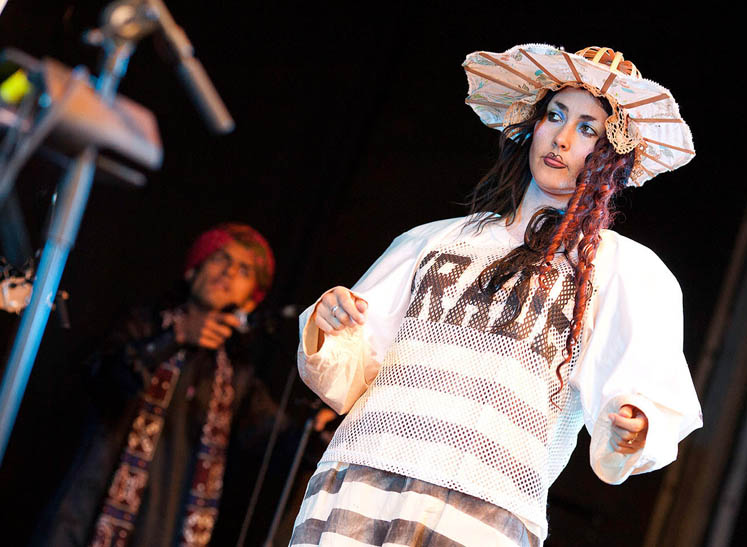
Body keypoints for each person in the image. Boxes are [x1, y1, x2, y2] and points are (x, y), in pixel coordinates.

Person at [290, 44, 703, 546]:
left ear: (612, 156)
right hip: (364, 473)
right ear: (534, 123)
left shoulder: (624, 271)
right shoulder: (436, 240)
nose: (563, 138)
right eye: (555, 115)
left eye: (588, 128)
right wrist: (330, 322)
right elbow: (349, 372)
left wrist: (634, 429)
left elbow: (645, 397)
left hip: (486, 501)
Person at [34, 223, 277, 547]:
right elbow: (102, 381)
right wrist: (173, 337)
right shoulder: (143, 323)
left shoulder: (237, 373)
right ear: (194, 270)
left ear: (250, 302)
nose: (229, 272)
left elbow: (275, 435)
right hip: (87, 518)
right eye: (221, 258)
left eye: (244, 270)